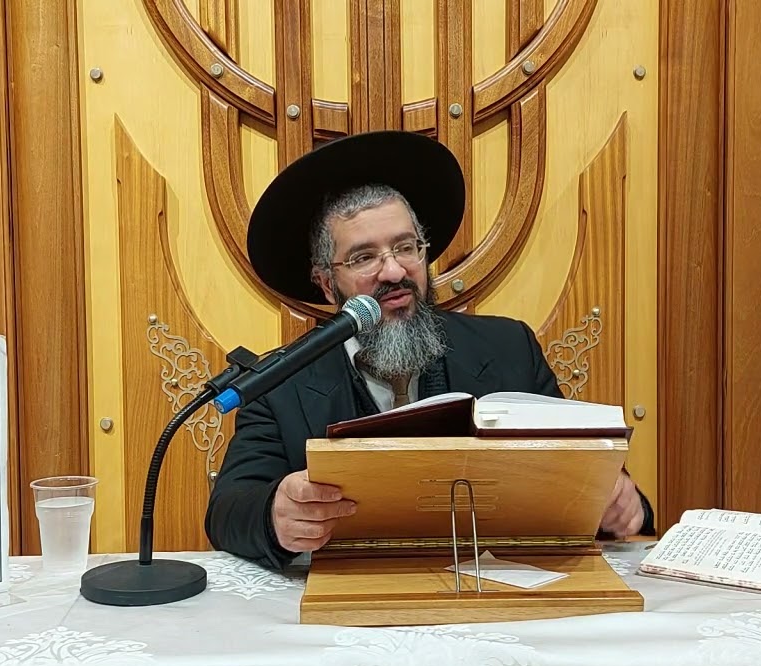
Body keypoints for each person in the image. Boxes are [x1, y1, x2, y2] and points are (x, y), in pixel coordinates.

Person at [206, 130, 654, 570]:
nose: (393, 271)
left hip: (494, 593)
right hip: (352, 598)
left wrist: (618, 501)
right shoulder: (279, 382)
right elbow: (229, 510)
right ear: (327, 284)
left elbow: (583, 475)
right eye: (364, 257)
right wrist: (275, 515)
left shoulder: (510, 349)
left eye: (406, 248)